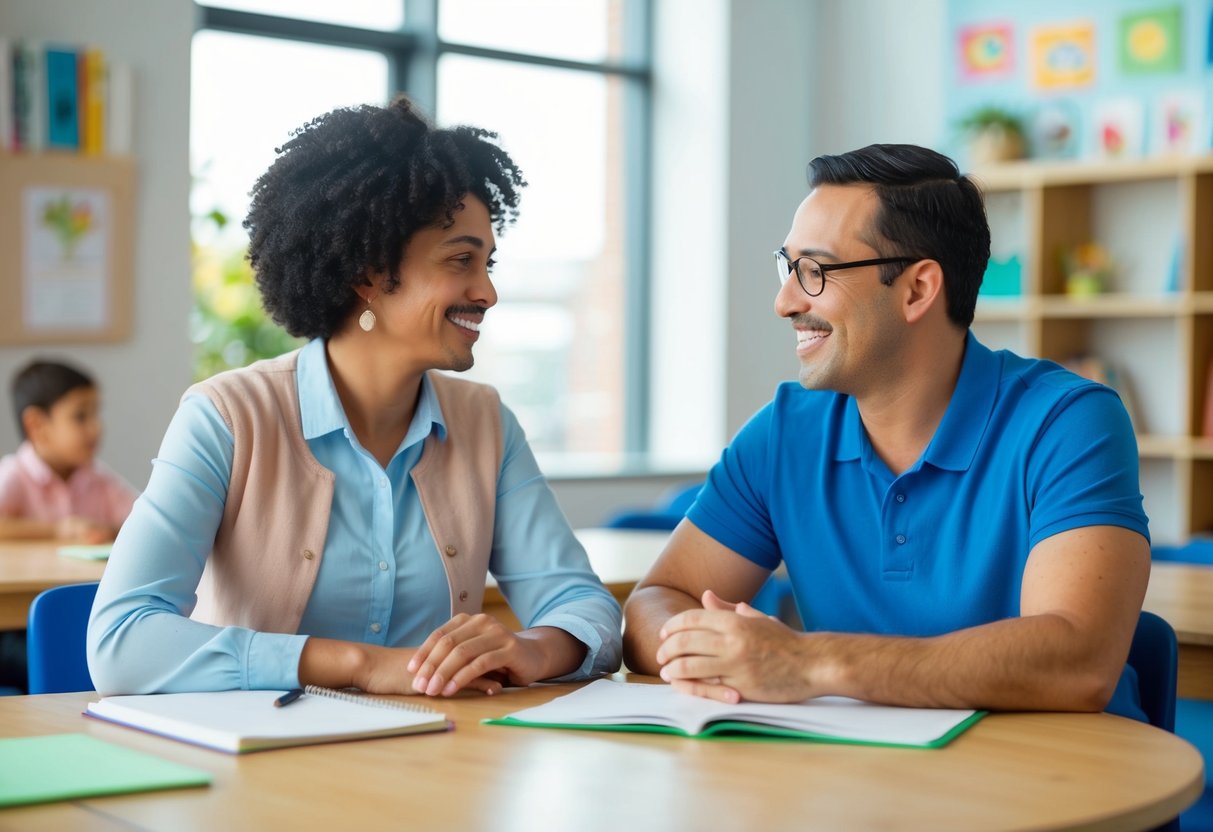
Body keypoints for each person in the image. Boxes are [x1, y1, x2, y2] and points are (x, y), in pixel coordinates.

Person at [87, 96, 622, 698]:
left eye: (488, 262)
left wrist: (530, 647)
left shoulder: (486, 423)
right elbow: (121, 641)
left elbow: (584, 605)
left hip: (438, 762)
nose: (488, 291)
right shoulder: (227, 418)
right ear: (369, 275)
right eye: (461, 261)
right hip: (260, 770)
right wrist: (360, 665)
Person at [623, 144, 1150, 719]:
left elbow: (1079, 661)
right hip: (855, 787)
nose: (785, 301)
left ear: (918, 289)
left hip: (1058, 787)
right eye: (788, 265)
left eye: (816, 271)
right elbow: (654, 601)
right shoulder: (783, 433)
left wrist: (809, 663)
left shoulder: (1068, 422)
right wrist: (716, 652)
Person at [0, 359, 137, 543]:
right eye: (80, 417)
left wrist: (109, 531)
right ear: (37, 425)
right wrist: (56, 531)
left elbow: (144, 521)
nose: (96, 427)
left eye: (96, 413)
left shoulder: (98, 478)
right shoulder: (13, 474)